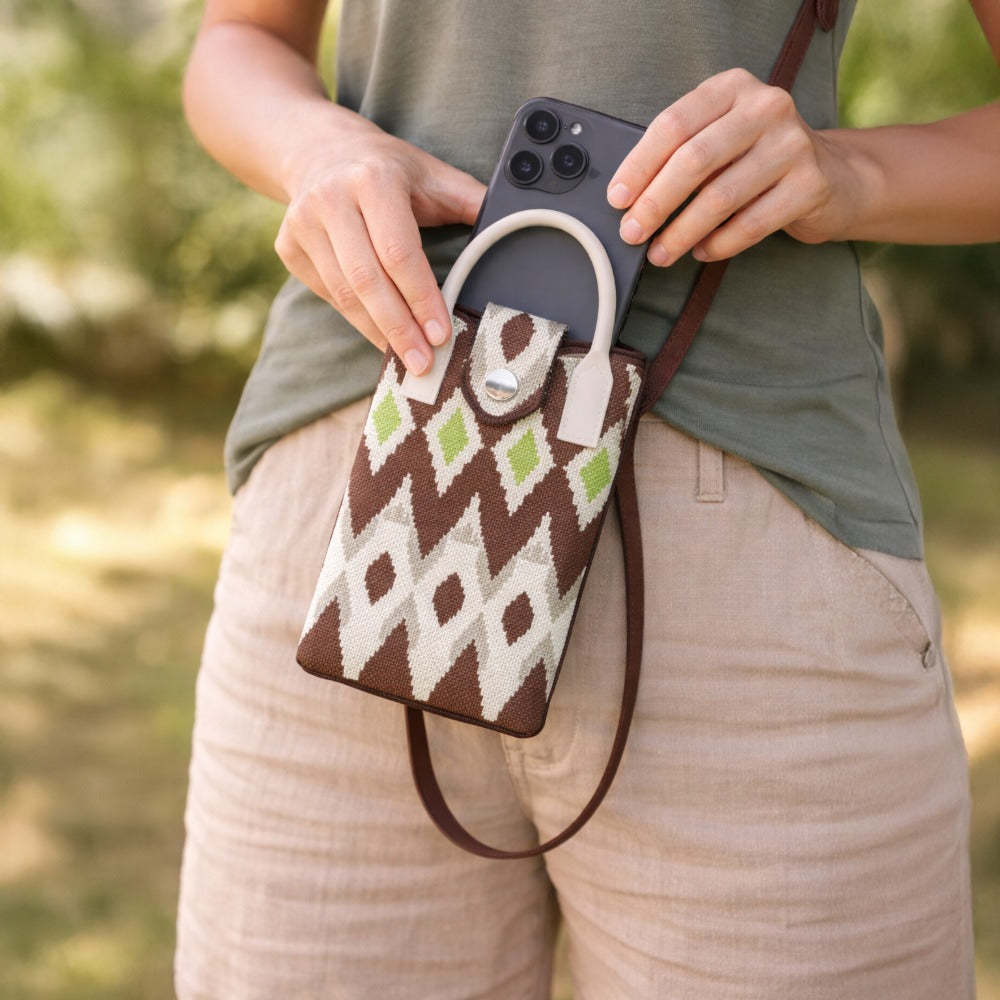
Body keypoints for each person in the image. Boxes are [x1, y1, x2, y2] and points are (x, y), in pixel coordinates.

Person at [174, 1, 999, 997]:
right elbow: (241, 39)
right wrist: (318, 150)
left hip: (750, 560)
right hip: (352, 508)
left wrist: (851, 172)